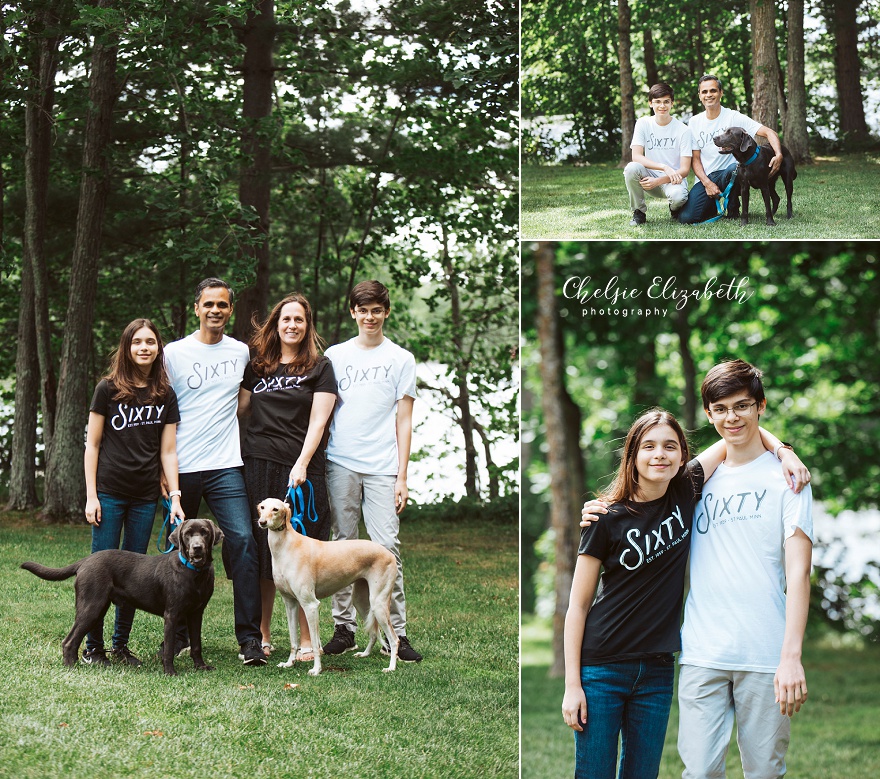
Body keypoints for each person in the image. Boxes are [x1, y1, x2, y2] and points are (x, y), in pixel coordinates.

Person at [563, 407, 805, 778]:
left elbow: (734, 435)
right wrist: (572, 684)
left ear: (682, 456)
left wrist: (784, 450)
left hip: (657, 669)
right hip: (602, 666)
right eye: (648, 446)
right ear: (633, 455)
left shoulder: (686, 491)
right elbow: (578, 607)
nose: (659, 454)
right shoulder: (605, 518)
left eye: (670, 446)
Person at [163, 278, 266, 666]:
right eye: (209, 304)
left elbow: (244, 403)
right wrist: (165, 475)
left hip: (225, 465)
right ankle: (176, 639)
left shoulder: (241, 353)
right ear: (196, 307)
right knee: (175, 547)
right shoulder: (173, 353)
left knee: (242, 541)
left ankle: (250, 641)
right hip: (182, 467)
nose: (215, 311)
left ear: (230, 309)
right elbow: (160, 410)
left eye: (222, 305)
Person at [321, 280, 423, 662]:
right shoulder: (334, 355)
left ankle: (395, 635)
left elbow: (405, 421)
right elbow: (323, 410)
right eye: (362, 310)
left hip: (382, 468)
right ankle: (343, 627)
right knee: (340, 544)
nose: (369, 317)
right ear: (353, 313)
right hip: (340, 461)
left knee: (387, 551)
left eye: (376, 310)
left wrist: (402, 475)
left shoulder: (401, 358)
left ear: (386, 312)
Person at [237, 293, 337, 659]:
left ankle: (310, 640)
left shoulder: (320, 367)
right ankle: (263, 634)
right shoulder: (258, 366)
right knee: (267, 553)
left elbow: (319, 420)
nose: (292, 325)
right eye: (285, 319)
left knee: (305, 552)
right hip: (258, 464)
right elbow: (241, 409)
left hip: (302, 470)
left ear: (307, 325)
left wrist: (302, 461)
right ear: (275, 325)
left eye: (299, 319)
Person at [83, 318, 185, 667]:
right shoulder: (107, 389)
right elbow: (92, 445)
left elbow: (168, 452)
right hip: (109, 493)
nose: (144, 347)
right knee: (100, 573)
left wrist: (174, 496)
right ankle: (92, 648)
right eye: (137, 342)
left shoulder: (165, 394)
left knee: (134, 576)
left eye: (151, 342)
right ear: (127, 348)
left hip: (145, 497)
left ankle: (120, 645)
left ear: (159, 349)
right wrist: (91, 495)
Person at [677, 75, 784, 224]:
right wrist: (707, 183)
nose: (709, 95)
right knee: (686, 218)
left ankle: (733, 207)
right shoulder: (694, 122)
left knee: (736, 167)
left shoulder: (734, 117)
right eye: (705, 92)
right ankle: (709, 205)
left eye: (713, 90)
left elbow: (769, 133)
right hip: (707, 178)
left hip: (731, 173)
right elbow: (695, 159)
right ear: (700, 96)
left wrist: (778, 154)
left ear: (721, 93)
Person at [624, 82, 692, 226]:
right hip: (648, 178)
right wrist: (663, 167)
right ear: (650, 103)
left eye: (666, 102)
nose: (662, 106)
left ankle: (674, 208)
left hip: (673, 180)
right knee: (631, 168)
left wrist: (660, 180)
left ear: (672, 103)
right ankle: (639, 212)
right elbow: (636, 156)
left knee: (678, 197)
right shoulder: (643, 123)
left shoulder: (683, 130)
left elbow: (685, 170)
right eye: (658, 102)